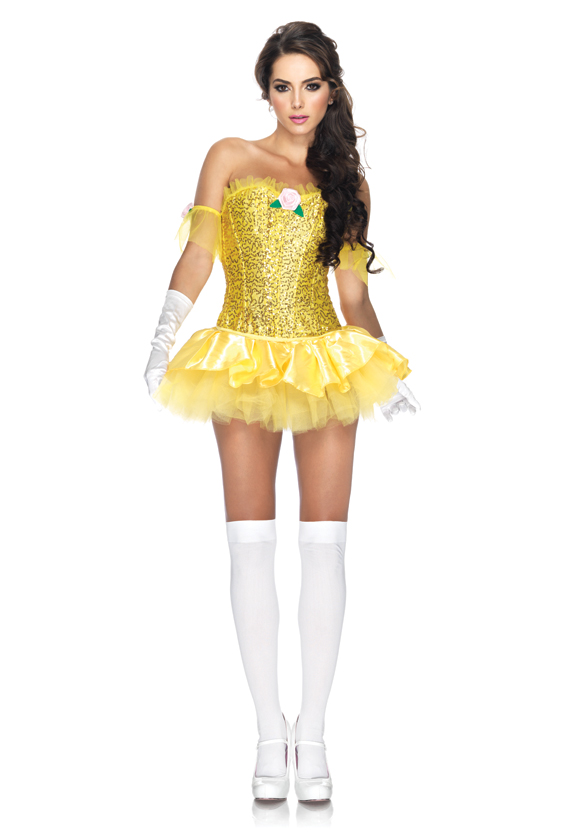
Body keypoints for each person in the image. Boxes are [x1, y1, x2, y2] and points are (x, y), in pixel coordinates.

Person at [144, 20, 420, 802]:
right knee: (250, 543)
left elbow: (352, 294)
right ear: (264, 90)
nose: (296, 101)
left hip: (325, 359)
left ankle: (316, 733)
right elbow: (200, 251)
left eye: (310, 85)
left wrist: (387, 365)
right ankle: (270, 733)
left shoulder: (347, 182)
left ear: (330, 90)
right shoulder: (229, 157)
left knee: (325, 545)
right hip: (239, 354)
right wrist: (163, 331)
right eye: (281, 85)